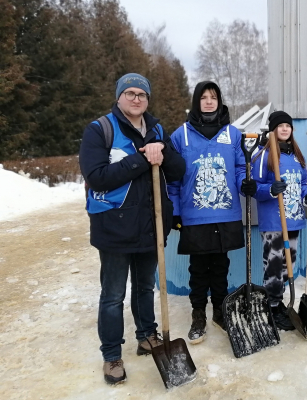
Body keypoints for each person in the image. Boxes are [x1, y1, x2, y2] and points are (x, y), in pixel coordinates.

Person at [79, 73, 186, 385]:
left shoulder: (155, 130)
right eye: (130, 93)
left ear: (148, 100)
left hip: (150, 226)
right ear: (119, 97)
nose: (137, 98)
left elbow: (178, 170)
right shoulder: (100, 130)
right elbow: (97, 176)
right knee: (113, 295)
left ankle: (146, 336)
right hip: (114, 227)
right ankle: (112, 355)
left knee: (144, 288)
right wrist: (142, 158)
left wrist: (161, 151)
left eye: (142, 94)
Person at [167, 81, 257, 344]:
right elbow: (172, 177)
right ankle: (198, 314)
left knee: (220, 266)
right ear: (196, 101)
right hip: (194, 214)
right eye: (203, 97)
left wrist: (245, 183)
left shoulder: (233, 134)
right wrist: (174, 208)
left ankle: (220, 310)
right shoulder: (180, 135)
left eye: (213, 97)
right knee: (198, 268)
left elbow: (240, 167)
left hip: (226, 213)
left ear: (219, 101)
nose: (208, 101)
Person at [251, 111, 307, 330]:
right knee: (274, 264)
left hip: (294, 220)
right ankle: (272, 305)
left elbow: (303, 181)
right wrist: (269, 189)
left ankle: (280, 303)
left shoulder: (297, 155)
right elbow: (254, 187)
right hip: (274, 223)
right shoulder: (263, 155)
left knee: (289, 265)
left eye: (288, 125)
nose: (285, 129)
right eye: (280, 126)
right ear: (273, 130)